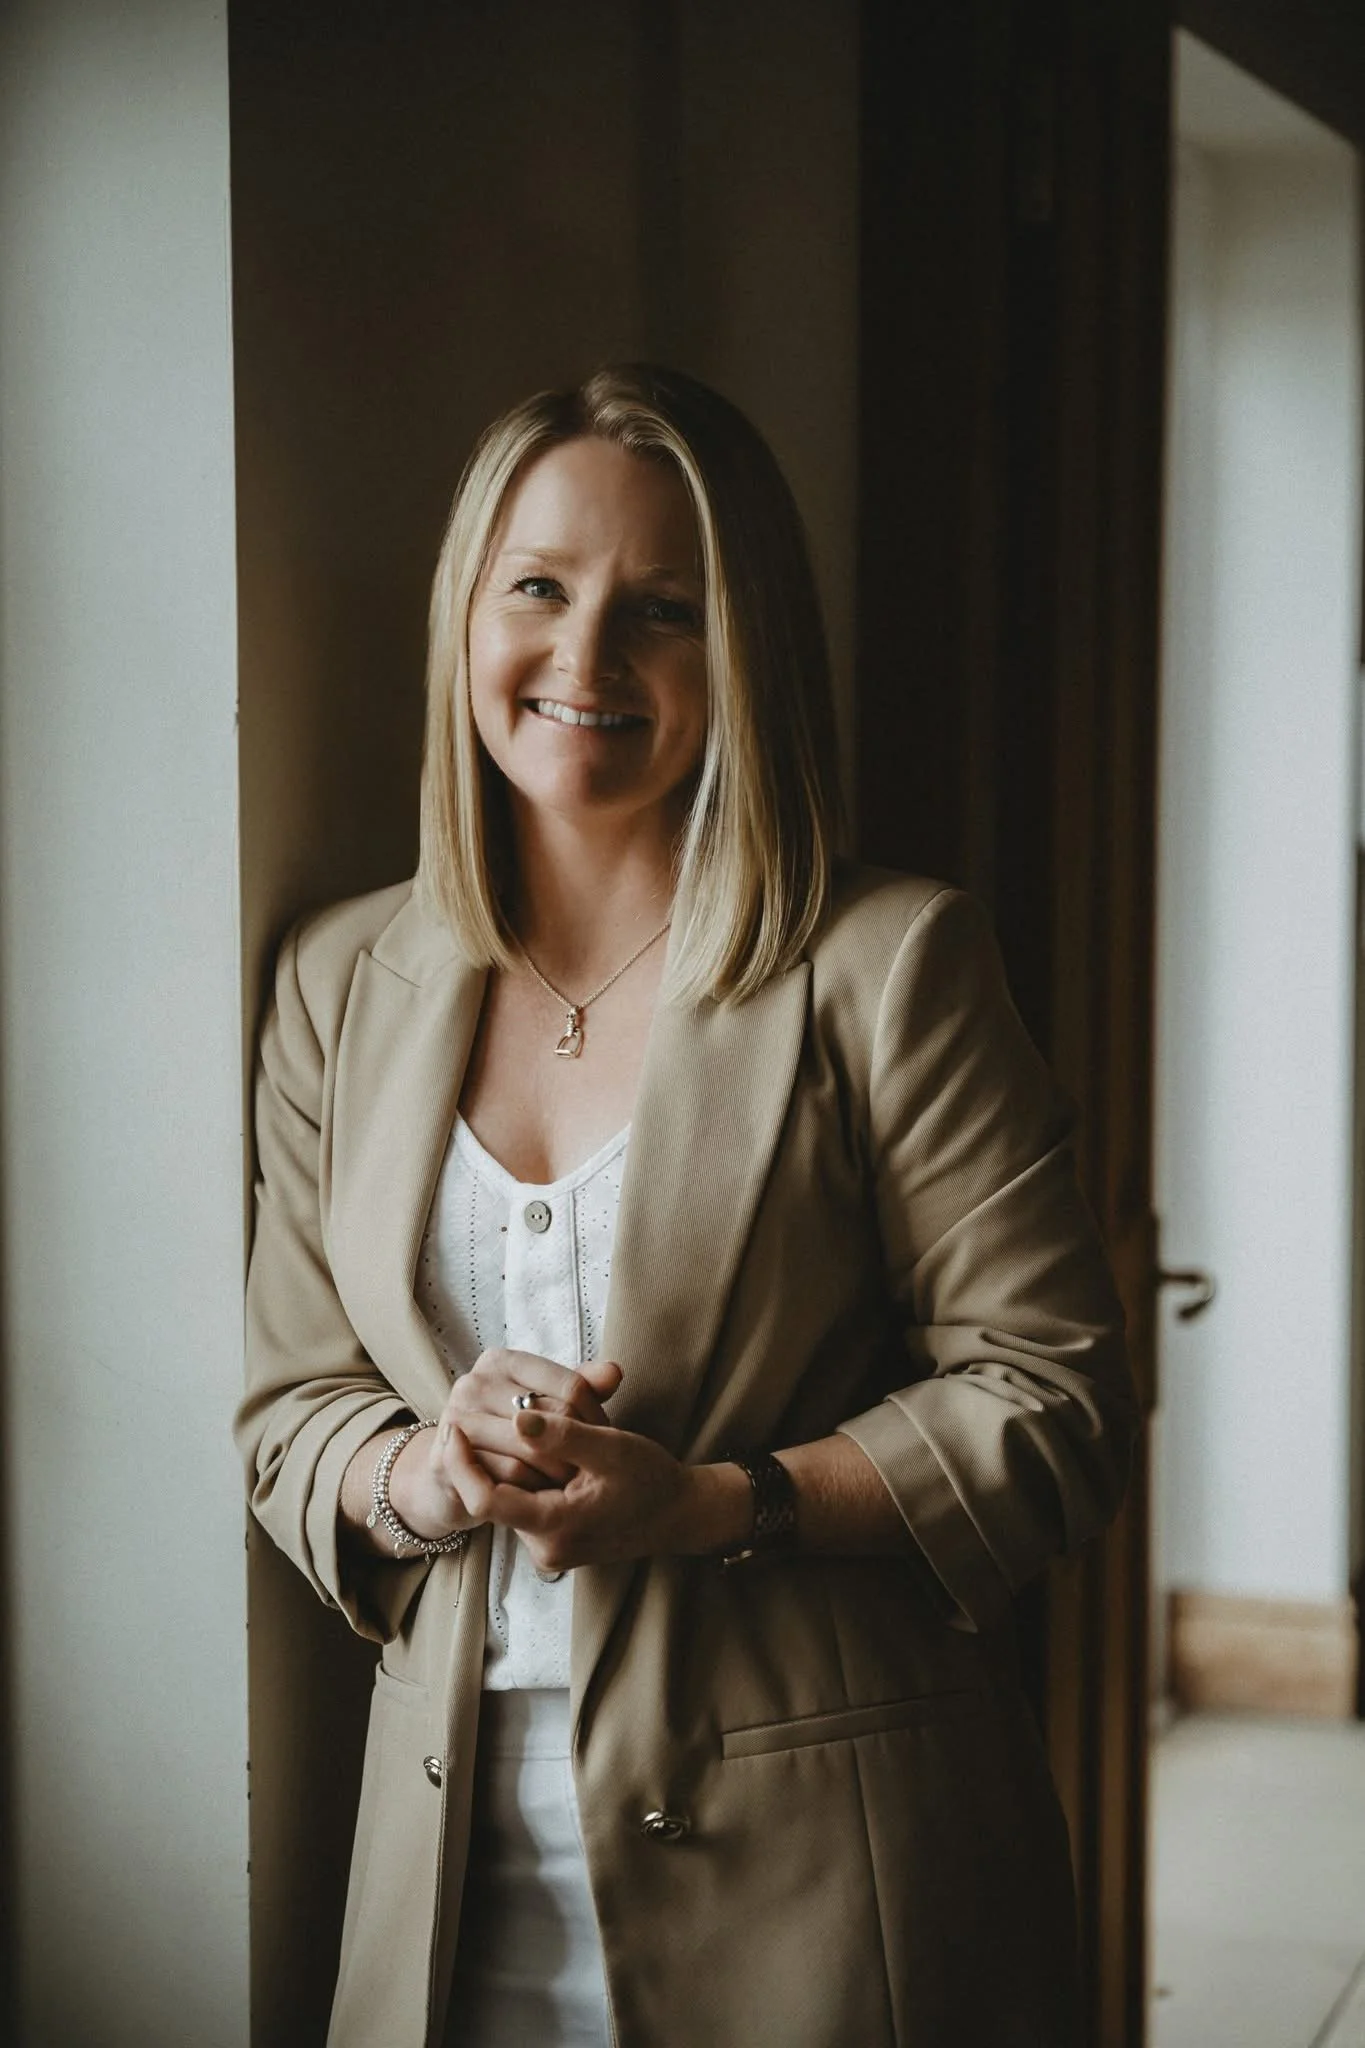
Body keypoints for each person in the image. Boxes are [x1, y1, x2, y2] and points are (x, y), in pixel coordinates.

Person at [237, 363, 1136, 2048]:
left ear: (748, 652)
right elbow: (288, 1403)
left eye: (665, 608)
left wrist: (718, 1502)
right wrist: (424, 1469)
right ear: (467, 614)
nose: (587, 662)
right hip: (448, 1873)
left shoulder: (890, 965)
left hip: (831, 1882)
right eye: (541, 589)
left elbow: (1057, 1401)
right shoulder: (339, 981)